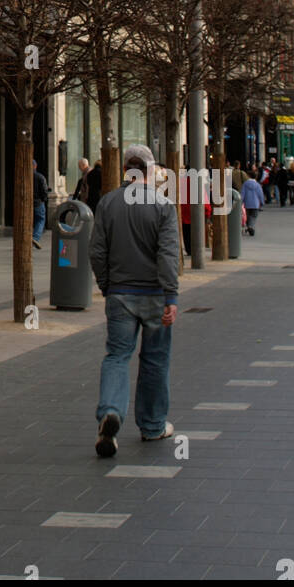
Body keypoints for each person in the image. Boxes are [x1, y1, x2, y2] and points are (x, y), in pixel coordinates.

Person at [89, 144, 179, 457]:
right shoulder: (164, 205)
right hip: (155, 295)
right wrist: (171, 295)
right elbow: (168, 254)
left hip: (120, 295)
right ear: (150, 171)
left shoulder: (108, 203)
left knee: (116, 356)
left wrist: (106, 285)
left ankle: (110, 413)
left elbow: (97, 251)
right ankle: (153, 425)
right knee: (155, 360)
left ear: (126, 169)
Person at [33, 163, 49, 249]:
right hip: (38, 202)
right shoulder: (40, 177)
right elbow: (44, 190)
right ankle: (35, 237)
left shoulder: (24, 177)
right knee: (40, 220)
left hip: (29, 202)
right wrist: (44, 199)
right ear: (35, 166)